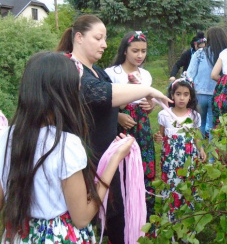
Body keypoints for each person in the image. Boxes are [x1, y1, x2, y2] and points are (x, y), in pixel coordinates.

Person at [56, 14, 171, 244]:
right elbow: (99, 93)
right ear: (79, 37)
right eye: (98, 38)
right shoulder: (70, 69)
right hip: (85, 161)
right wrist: (148, 90)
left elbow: (109, 102)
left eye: (105, 38)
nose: (105, 44)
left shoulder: (99, 71)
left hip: (107, 157)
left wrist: (131, 110)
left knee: (116, 216)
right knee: (92, 218)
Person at [0, 52, 134, 243]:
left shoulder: (7, 136)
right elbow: (82, 218)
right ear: (64, 94)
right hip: (59, 236)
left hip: (19, 235)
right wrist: (115, 159)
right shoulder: (66, 145)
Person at [104, 31, 156, 224]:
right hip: (120, 129)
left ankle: (143, 213)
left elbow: (148, 102)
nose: (140, 55)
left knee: (144, 165)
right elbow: (104, 103)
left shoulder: (146, 75)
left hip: (142, 127)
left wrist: (150, 106)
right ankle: (122, 215)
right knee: (122, 168)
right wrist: (117, 116)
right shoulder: (112, 73)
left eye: (143, 51)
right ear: (125, 50)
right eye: (135, 50)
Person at [155, 78, 207, 221]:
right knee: (172, 184)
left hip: (189, 158)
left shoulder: (194, 116)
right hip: (171, 159)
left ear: (190, 97)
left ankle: (189, 217)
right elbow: (161, 135)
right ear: (172, 95)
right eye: (178, 94)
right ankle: (171, 217)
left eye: (185, 94)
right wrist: (158, 138)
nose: (182, 98)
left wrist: (201, 149)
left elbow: (196, 136)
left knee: (189, 184)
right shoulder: (164, 114)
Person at [187, 27, 227, 140]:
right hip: (217, 94)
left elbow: (190, 73)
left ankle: (199, 154)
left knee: (199, 124)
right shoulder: (226, 55)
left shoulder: (200, 53)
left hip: (199, 93)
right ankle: (212, 157)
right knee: (213, 127)